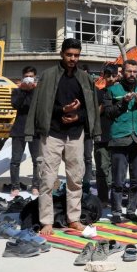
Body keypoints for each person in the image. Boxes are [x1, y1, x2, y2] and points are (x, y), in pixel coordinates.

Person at [26, 38, 101, 235]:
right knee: (47, 179)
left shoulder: (85, 78)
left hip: (75, 135)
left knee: (75, 178)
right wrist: (63, 110)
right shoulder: (49, 76)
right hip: (52, 133)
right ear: (62, 54)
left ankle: (74, 219)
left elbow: (91, 109)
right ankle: (46, 221)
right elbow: (42, 106)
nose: (73, 59)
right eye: (69, 55)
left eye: (76, 55)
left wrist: (77, 115)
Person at [103, 60, 137, 223]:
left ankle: (131, 210)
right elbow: (109, 113)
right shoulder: (112, 90)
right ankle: (116, 212)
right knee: (118, 179)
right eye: (129, 71)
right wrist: (123, 102)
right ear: (122, 72)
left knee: (136, 179)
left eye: (135, 72)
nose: (132, 74)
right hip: (119, 138)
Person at [9, 66, 41, 197]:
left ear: (35, 77)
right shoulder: (17, 91)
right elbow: (16, 105)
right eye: (27, 76)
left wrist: (33, 90)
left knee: (37, 160)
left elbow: (38, 107)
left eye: (31, 76)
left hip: (35, 129)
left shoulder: (38, 91)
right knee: (15, 160)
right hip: (19, 129)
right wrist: (23, 90)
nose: (29, 78)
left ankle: (36, 185)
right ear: (23, 77)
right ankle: (15, 186)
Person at [94, 64, 119, 204]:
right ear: (103, 76)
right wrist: (104, 104)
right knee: (102, 169)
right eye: (108, 76)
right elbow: (94, 114)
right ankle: (103, 198)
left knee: (118, 169)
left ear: (117, 76)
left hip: (119, 136)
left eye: (113, 76)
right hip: (102, 136)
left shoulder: (121, 93)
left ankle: (116, 199)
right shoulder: (98, 93)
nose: (110, 79)